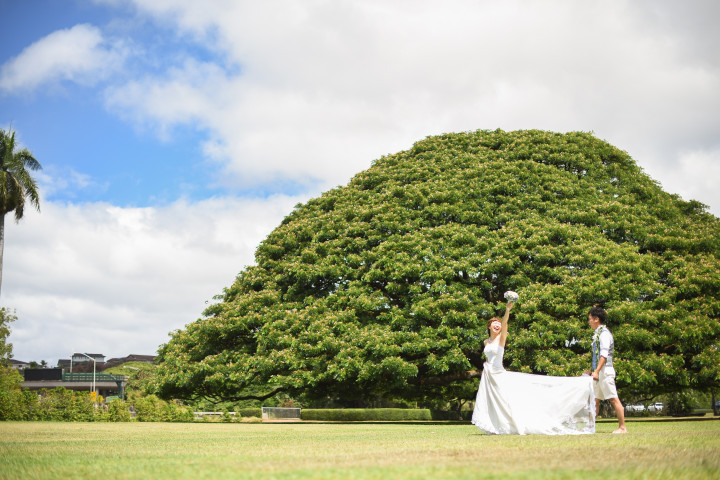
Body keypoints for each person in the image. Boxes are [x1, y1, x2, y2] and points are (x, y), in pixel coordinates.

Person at [471, 295, 595, 435]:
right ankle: (495, 426)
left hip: (499, 373)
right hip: (489, 375)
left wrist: (507, 310)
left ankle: (513, 424)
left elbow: (505, 323)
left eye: (499, 324)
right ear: (489, 326)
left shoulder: (501, 338)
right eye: (495, 323)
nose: (498, 325)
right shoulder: (486, 342)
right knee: (493, 401)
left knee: (507, 401)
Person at [584, 306, 627, 434]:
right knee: (595, 400)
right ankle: (590, 426)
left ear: (596, 319)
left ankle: (622, 427)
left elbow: (604, 355)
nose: (589, 322)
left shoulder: (604, 334)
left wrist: (596, 371)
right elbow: (597, 356)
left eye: (590, 319)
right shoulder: (598, 334)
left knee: (613, 398)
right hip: (599, 371)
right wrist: (591, 369)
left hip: (605, 371)